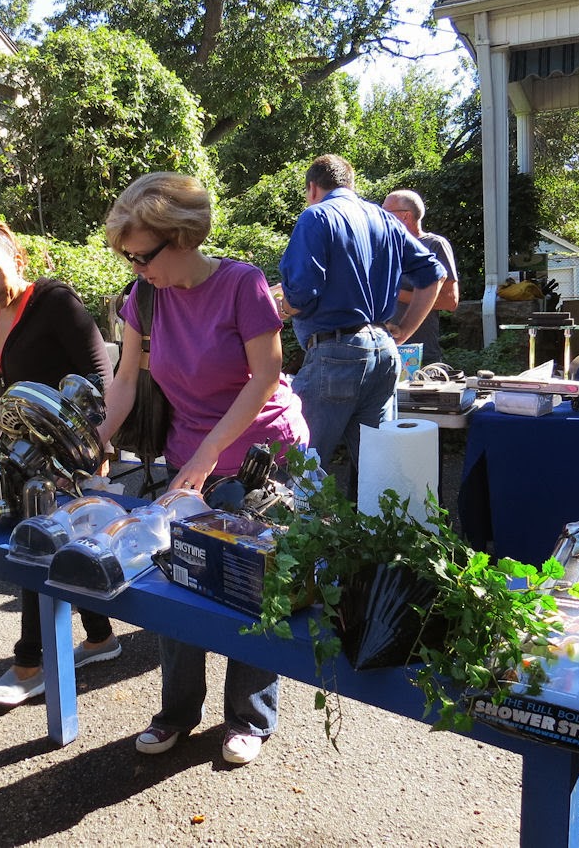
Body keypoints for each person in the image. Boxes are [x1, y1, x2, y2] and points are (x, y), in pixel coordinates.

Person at [98, 172, 309, 766]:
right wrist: (94, 440)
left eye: (143, 255)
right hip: (192, 454)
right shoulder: (142, 298)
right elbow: (123, 384)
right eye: (128, 258)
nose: (137, 268)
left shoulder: (242, 285)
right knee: (179, 576)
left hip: (263, 451)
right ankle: (177, 710)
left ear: (183, 236)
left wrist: (209, 453)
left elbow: (265, 376)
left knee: (252, 586)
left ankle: (250, 717)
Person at [0, 220, 119, 707]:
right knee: (52, 548)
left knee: (35, 547)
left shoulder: (54, 302)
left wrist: (97, 451)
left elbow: (99, 376)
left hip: (68, 455)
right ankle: (100, 637)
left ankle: (30, 662)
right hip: (19, 456)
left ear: (19, 261)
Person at [277, 155, 444, 480]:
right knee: (382, 478)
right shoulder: (386, 221)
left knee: (298, 469)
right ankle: (389, 532)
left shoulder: (317, 217)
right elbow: (433, 275)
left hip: (335, 354)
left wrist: (279, 308)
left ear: (313, 187)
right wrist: (405, 330)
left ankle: (287, 531)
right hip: (383, 352)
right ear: (350, 185)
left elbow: (301, 293)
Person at [381, 189, 460, 364]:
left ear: (405, 216)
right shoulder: (385, 248)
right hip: (384, 351)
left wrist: (393, 291)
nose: (380, 218)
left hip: (420, 355)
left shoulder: (434, 245)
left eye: (385, 213)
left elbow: (450, 301)